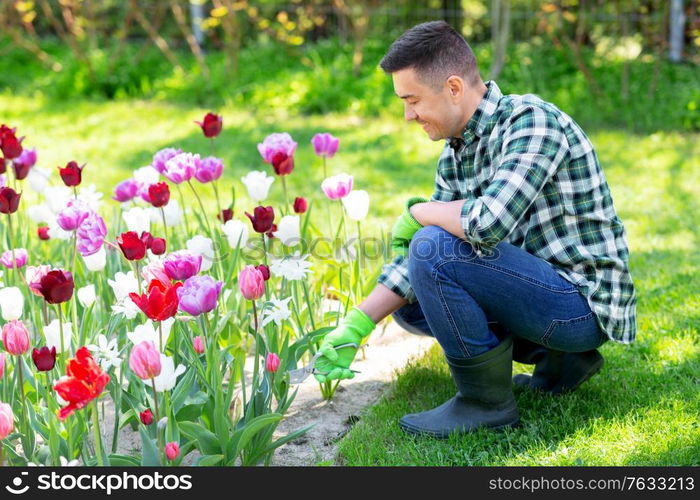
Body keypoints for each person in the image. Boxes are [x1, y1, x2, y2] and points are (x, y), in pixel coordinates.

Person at [313, 20, 637, 439]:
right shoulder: (457, 149)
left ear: (452, 88)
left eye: (412, 100)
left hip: (580, 304)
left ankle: (485, 404)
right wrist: (357, 324)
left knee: (432, 248)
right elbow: (423, 251)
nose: (407, 115)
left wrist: (421, 213)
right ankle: (561, 362)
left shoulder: (532, 122)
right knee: (413, 298)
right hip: (537, 293)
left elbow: (486, 223)